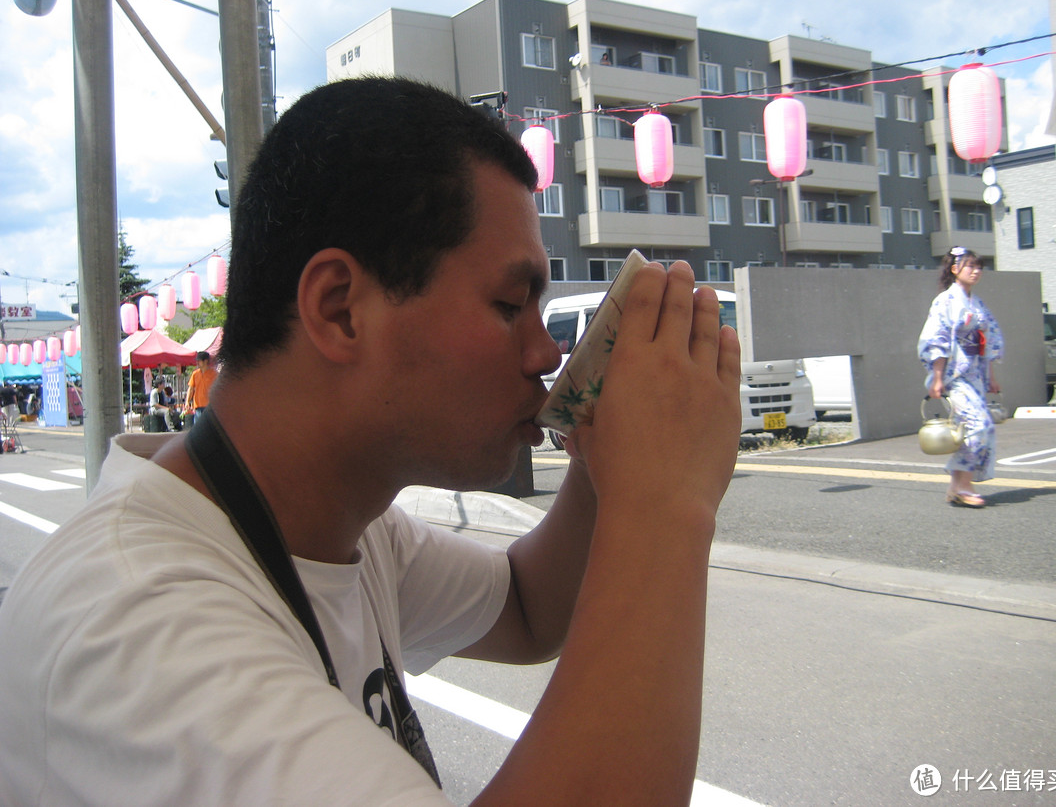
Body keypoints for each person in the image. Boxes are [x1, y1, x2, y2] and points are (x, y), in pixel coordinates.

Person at [0, 77, 742, 805]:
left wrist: (608, 449)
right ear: (340, 309)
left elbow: (525, 605)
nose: (544, 355)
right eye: (511, 304)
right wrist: (665, 503)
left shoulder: (342, 529)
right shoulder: (142, 628)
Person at [917, 246, 1004, 508]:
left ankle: (956, 487)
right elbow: (938, 338)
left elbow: (987, 340)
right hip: (954, 375)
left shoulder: (976, 303)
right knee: (979, 425)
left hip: (975, 373)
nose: (976, 271)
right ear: (955, 269)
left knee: (973, 428)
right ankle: (964, 487)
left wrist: (990, 375)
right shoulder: (945, 301)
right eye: (970, 266)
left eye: (978, 267)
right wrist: (938, 377)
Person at [185, 350, 217, 423]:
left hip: (210, 407)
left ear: (205, 361)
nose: (197, 363)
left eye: (199, 361)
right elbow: (191, 389)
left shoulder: (214, 374)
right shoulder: (195, 374)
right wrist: (187, 402)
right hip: (198, 406)